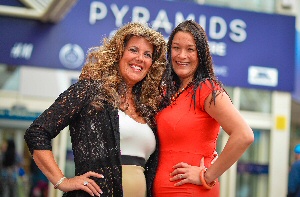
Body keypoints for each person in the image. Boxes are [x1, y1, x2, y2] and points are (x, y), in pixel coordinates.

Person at [24, 22, 166, 197]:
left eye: (147, 54)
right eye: (134, 50)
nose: (140, 58)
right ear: (118, 53)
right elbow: (37, 132)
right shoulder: (89, 91)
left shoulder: (148, 108)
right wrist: (61, 181)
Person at [151, 20, 254, 196]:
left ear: (201, 54)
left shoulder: (206, 89)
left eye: (190, 49)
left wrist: (207, 175)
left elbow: (244, 135)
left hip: (192, 191)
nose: (182, 55)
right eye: (176, 48)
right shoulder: (167, 92)